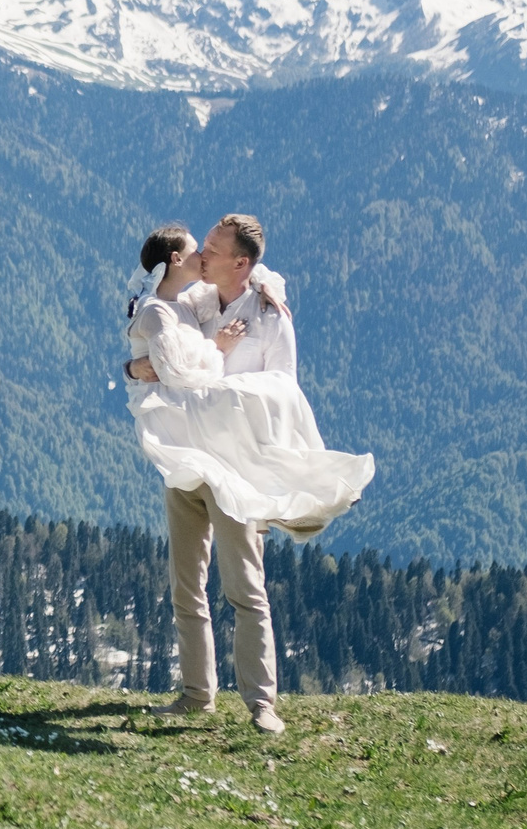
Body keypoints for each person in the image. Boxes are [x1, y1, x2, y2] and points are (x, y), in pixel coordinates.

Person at [119, 214, 372, 734]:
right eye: (202, 247)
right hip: (188, 460)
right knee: (186, 584)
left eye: (213, 250)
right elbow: (153, 333)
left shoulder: (270, 316)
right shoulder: (197, 300)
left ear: (242, 262)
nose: (203, 256)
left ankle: (262, 704)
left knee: (245, 587)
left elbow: (283, 387)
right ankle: (197, 694)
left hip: (236, 470)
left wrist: (214, 388)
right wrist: (132, 369)